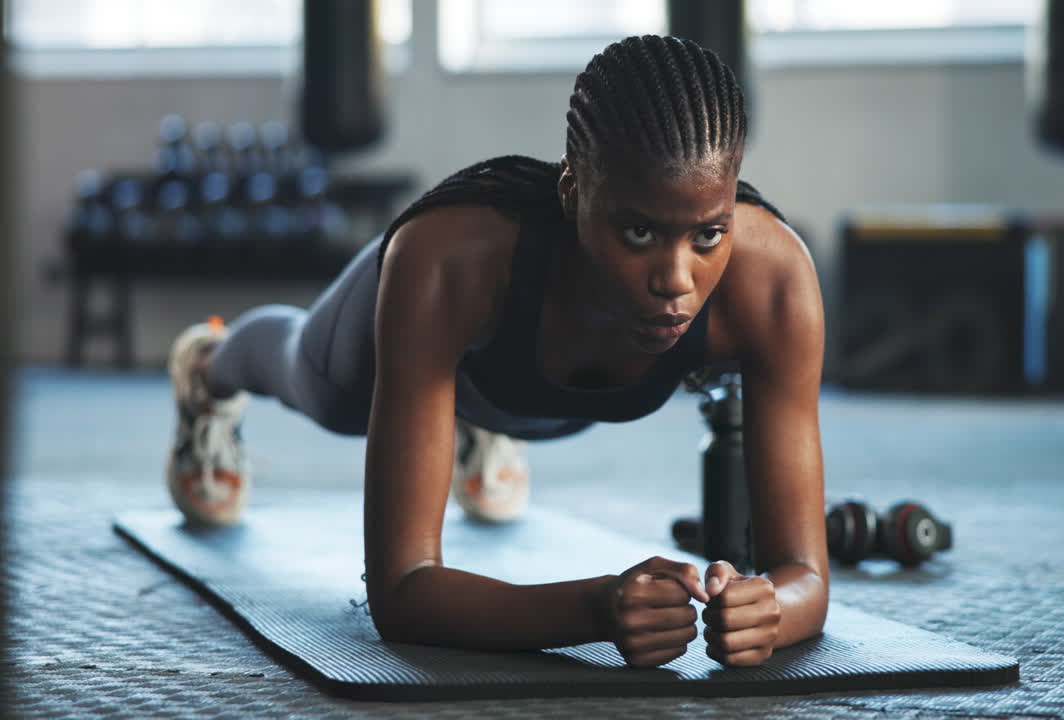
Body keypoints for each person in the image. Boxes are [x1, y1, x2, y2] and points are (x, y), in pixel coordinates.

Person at [165, 35, 828, 669]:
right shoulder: (449, 260)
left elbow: (807, 578)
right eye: (638, 230)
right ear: (572, 192)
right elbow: (401, 593)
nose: (676, 281)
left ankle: (465, 421)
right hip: (403, 333)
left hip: (519, 387)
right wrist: (596, 608)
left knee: (497, 397)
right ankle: (209, 364)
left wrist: (770, 606)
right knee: (317, 386)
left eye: (708, 234)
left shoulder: (772, 284)